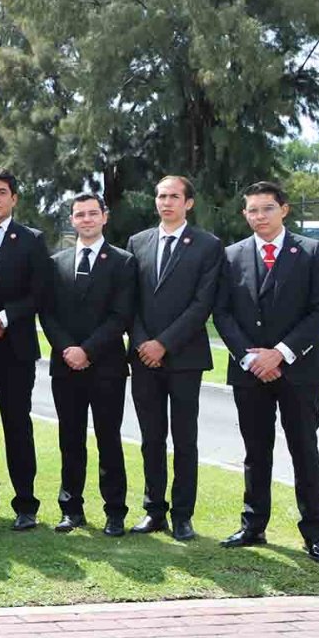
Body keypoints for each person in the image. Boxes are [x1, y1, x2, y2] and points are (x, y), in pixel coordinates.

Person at [215, 181, 319, 564]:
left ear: (284, 209)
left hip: (300, 371)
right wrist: (251, 358)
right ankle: (253, 526)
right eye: (252, 210)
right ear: (244, 215)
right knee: (255, 451)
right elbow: (222, 313)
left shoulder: (312, 251)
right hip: (250, 371)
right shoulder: (231, 255)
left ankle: (314, 534)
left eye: (267, 208)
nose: (259, 216)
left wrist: (280, 354)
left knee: (304, 451)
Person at [125, 175, 222, 541]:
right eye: (161, 196)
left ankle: (183, 514)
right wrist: (142, 343)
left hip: (184, 358)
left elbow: (203, 303)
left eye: (174, 197)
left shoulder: (208, 245)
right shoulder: (138, 242)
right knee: (151, 438)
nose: (166, 202)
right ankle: (154, 511)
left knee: (185, 439)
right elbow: (128, 301)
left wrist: (163, 343)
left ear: (189, 203)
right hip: (142, 358)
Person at [39, 194, 135, 536]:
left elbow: (121, 315)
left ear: (104, 217)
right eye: (80, 215)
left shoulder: (123, 262)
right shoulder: (56, 263)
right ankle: (71, 508)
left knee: (109, 440)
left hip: (106, 366)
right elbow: (47, 313)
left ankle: (115, 511)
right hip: (65, 366)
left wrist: (88, 351)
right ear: (73, 220)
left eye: (93, 213)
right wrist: (67, 348)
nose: (87, 219)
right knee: (70, 439)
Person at [0, 167, 51, 530]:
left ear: (14, 198)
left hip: (15, 349)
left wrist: (3, 316)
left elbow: (41, 293)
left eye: (2, 192)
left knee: (17, 427)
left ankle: (26, 505)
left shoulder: (32, 239)